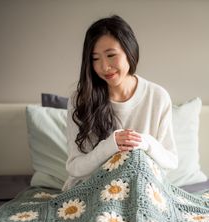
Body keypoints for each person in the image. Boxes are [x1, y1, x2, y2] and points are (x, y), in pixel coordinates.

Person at [62, 15, 178, 191]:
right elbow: (75, 167)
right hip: (90, 191)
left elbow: (171, 161)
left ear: (129, 51)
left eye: (111, 55)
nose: (104, 67)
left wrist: (144, 142)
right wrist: (110, 145)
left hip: (141, 188)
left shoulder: (157, 97)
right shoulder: (81, 99)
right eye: (95, 58)